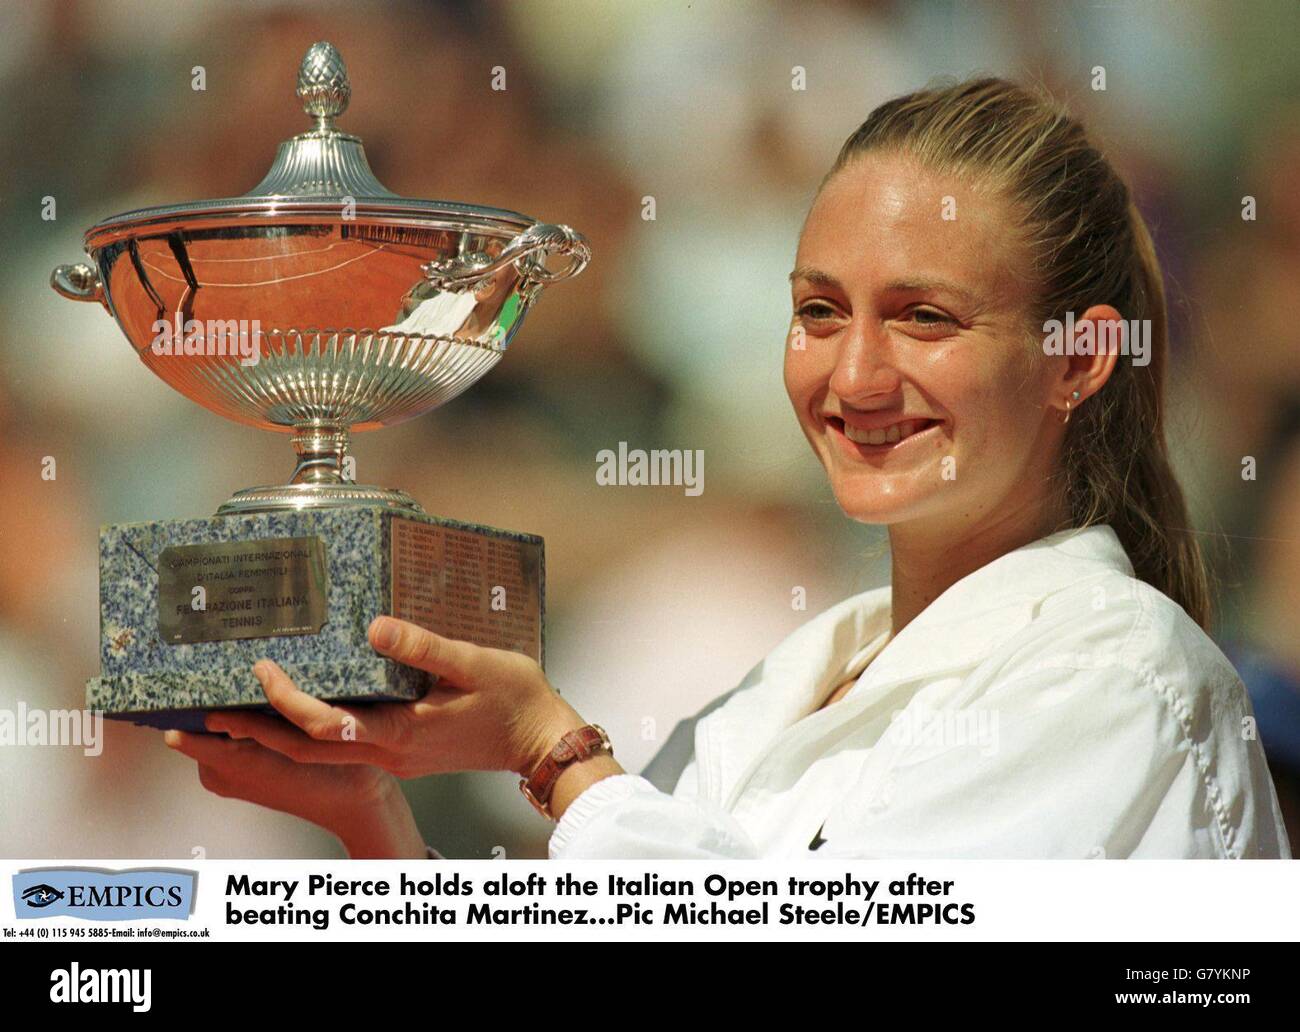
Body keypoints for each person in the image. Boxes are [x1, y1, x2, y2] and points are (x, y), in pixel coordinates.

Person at [165, 78, 1291, 859]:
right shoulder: (778, 688)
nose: (854, 375)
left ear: (1076, 360)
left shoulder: (1117, 671)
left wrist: (551, 751)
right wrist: (370, 819)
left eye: (925, 318)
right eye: (817, 311)